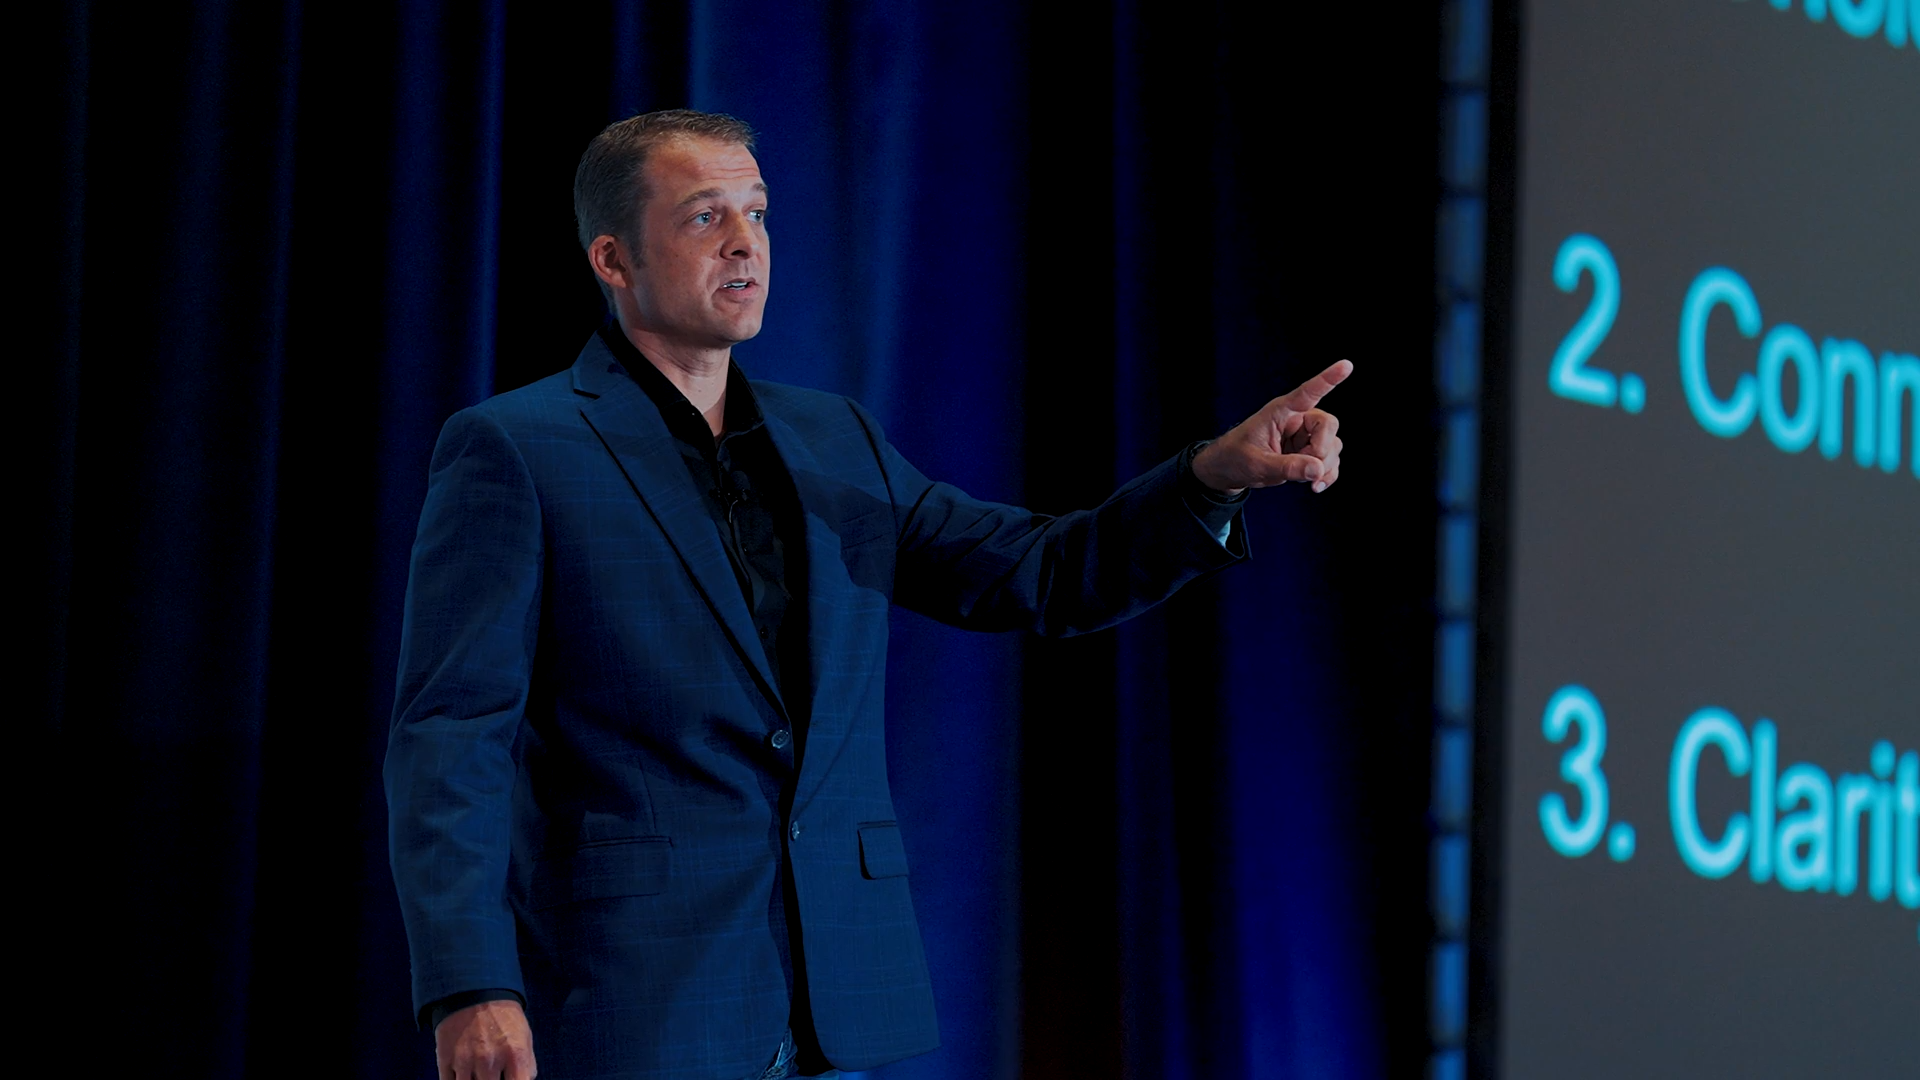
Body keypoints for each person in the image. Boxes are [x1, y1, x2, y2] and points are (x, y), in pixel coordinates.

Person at [386, 109, 1348, 1080]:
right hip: (636, 995)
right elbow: (452, 737)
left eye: (758, 212)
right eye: (704, 216)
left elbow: (1042, 574)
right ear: (613, 258)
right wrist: (470, 983)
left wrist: (1211, 480)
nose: (745, 242)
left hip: (835, 1000)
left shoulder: (833, 439)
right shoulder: (520, 448)